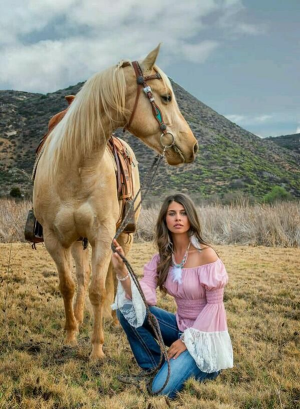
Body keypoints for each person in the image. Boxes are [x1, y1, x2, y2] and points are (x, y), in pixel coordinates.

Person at [111, 193, 233, 399]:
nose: (178, 218)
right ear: (165, 220)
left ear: (191, 218)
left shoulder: (206, 255)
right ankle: (153, 365)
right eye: (172, 213)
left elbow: (215, 308)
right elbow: (143, 298)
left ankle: (207, 368)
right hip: (179, 325)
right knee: (128, 309)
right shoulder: (163, 258)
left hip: (205, 336)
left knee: (160, 391)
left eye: (183, 213)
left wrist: (187, 341)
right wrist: (122, 271)